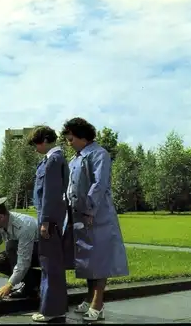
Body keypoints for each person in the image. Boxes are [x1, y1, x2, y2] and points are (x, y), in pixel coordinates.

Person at [61, 117, 129, 321]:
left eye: (71, 139)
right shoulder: (75, 159)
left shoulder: (99, 154)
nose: (68, 143)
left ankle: (98, 305)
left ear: (83, 137)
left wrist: (90, 211)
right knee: (87, 260)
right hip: (79, 217)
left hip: (97, 216)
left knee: (99, 259)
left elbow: (99, 184)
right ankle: (89, 298)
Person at [27, 126, 70, 322]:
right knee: (50, 264)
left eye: (36, 143)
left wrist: (45, 221)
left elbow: (51, 195)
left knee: (50, 264)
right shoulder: (52, 159)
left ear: (44, 140)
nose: (35, 148)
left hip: (49, 219)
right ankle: (53, 308)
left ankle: (52, 311)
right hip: (50, 217)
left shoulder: (53, 160)